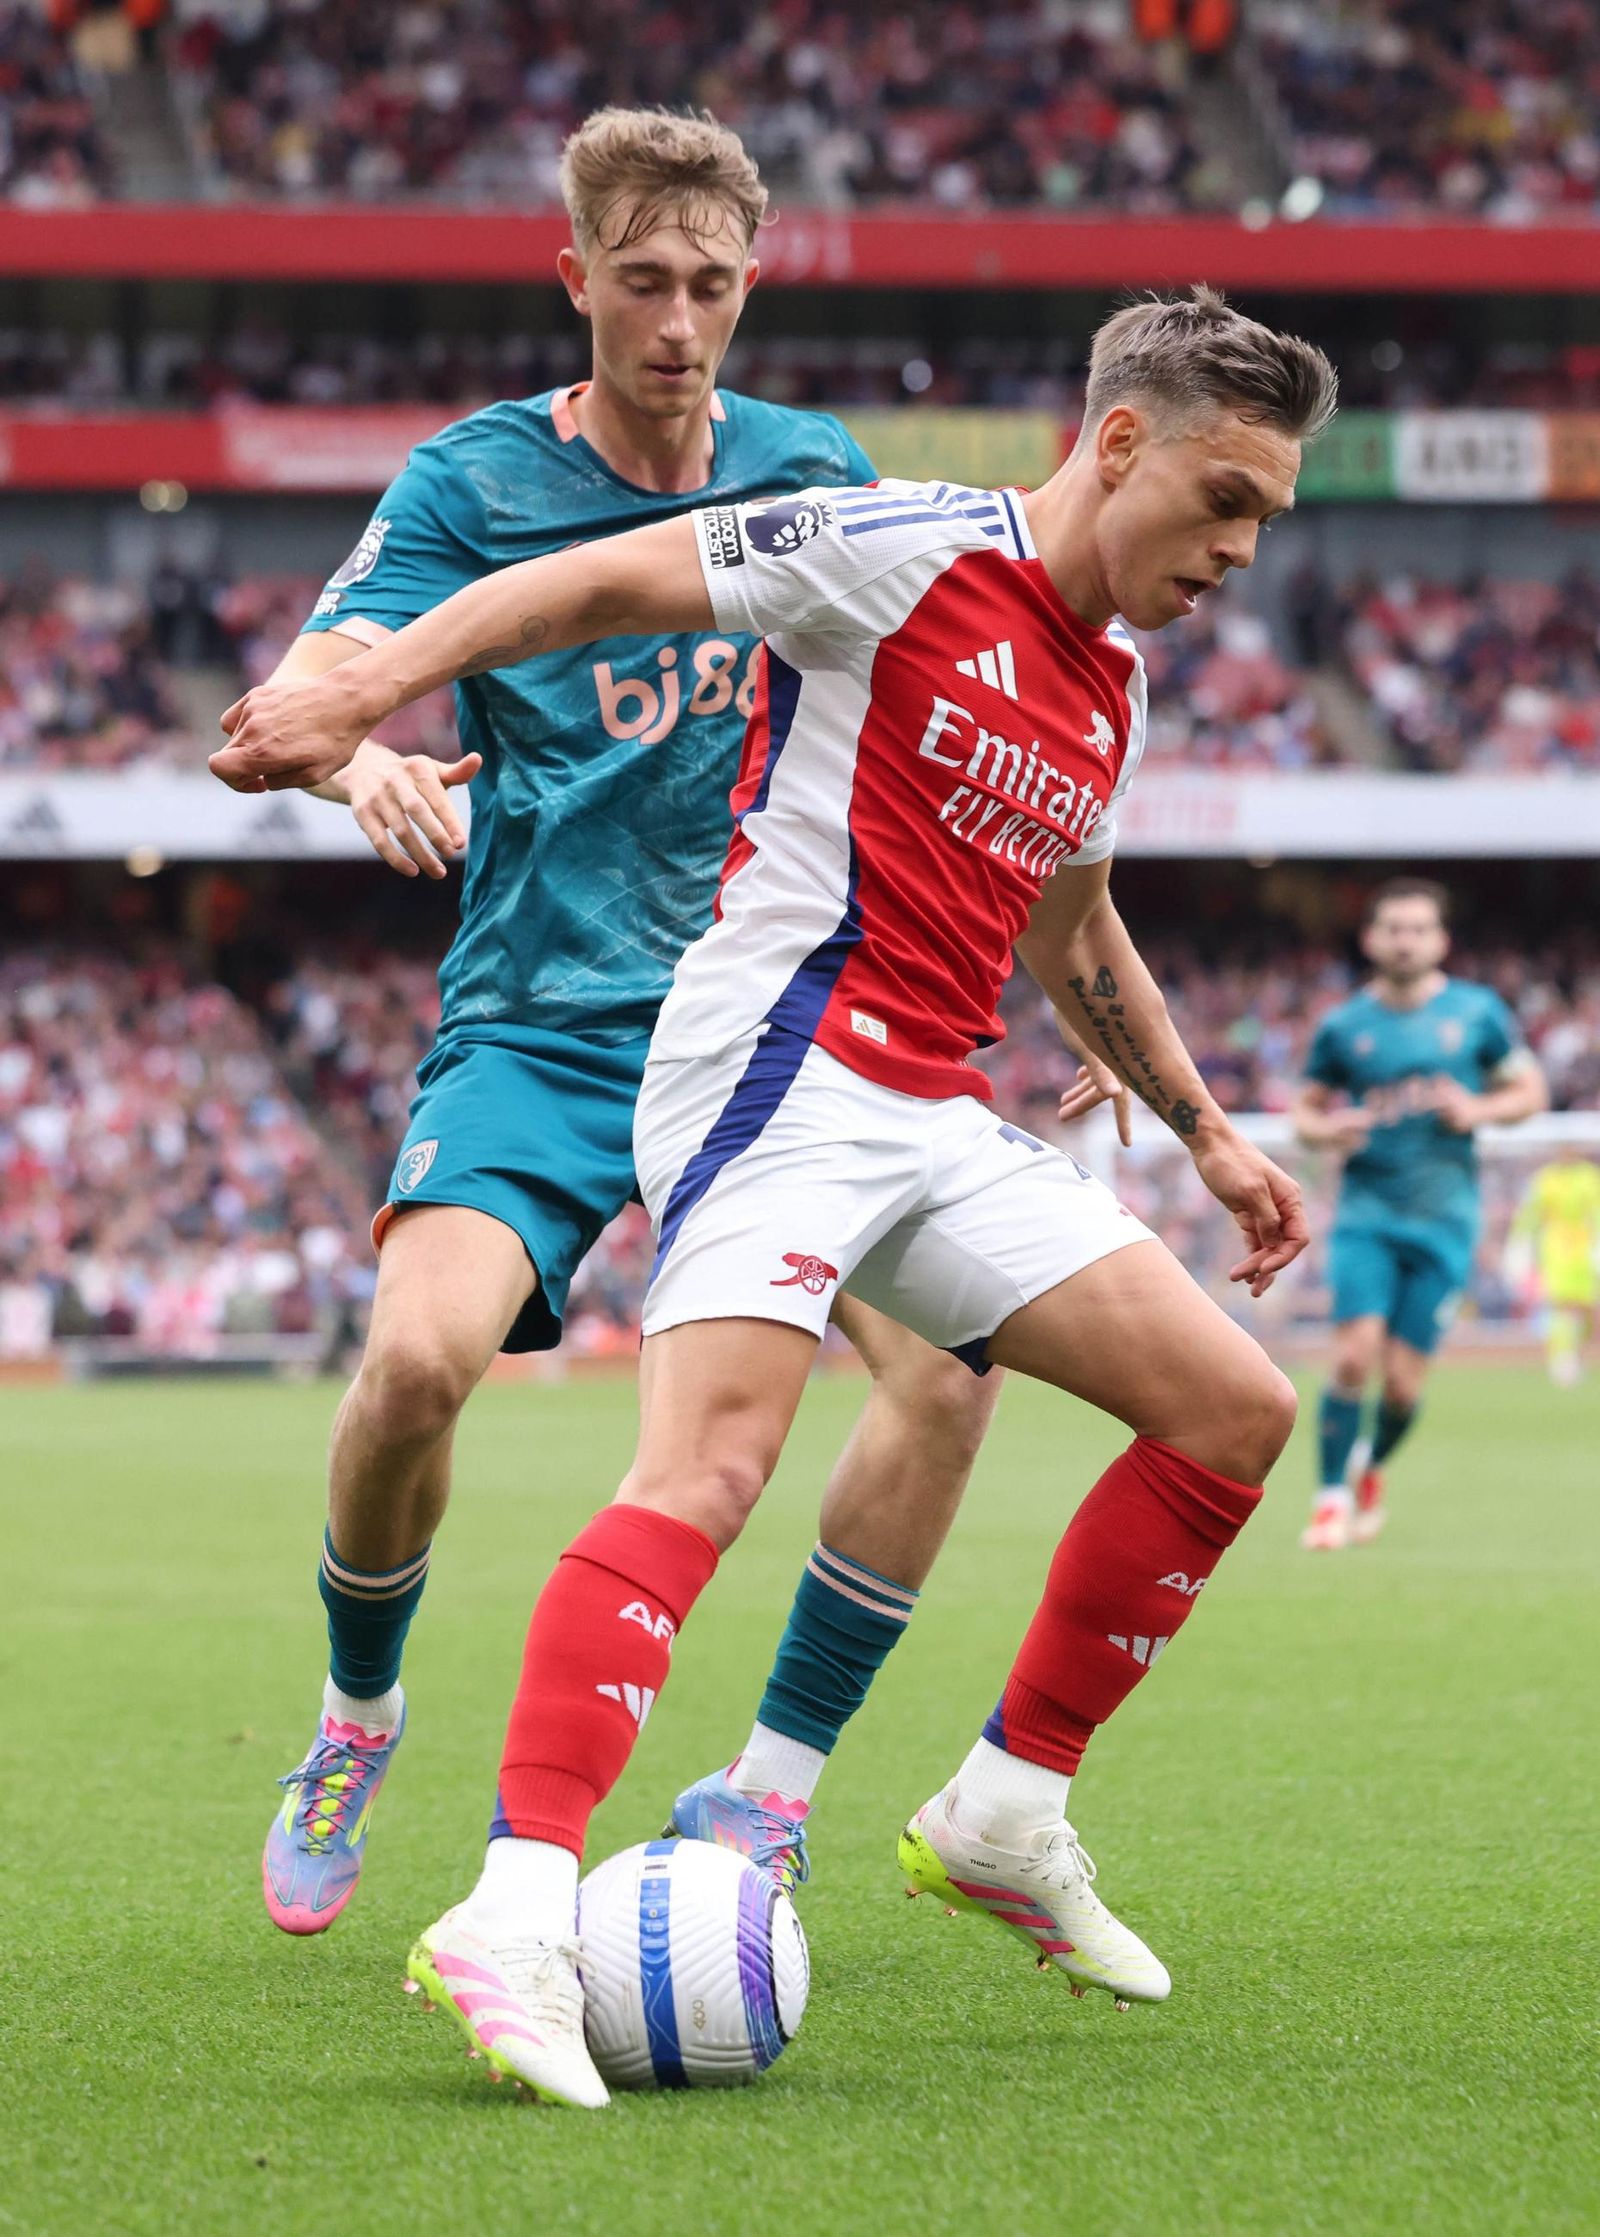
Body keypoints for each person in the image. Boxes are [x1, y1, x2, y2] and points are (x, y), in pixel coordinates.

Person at [217, 286, 1333, 2109]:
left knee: (1232, 1407)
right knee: (709, 1468)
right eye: (1226, 498)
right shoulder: (890, 548)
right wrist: (354, 691)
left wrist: (1203, 1128)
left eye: (1266, 521)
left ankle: (1003, 1806)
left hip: (931, 1106)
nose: (1238, 549)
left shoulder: (1112, 677)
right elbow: (589, 589)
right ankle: (510, 1906)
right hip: (775, 1075)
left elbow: (1068, 920)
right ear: (1117, 443)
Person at [251, 105, 1016, 1942]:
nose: (679, 322)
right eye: (646, 282)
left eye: (714, 286)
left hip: (771, 1022)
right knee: (417, 1368)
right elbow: (306, 679)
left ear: (750, 288)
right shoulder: (475, 483)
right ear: (576, 276)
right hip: (547, 1014)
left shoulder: (808, 463)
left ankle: (767, 1793)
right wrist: (359, 758)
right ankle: (360, 1712)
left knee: (948, 1374)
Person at [1294, 880, 1547, 1551]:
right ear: (1371, 938)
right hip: (1366, 1212)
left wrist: (1478, 1110)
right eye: (1393, 928)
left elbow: (1529, 1092)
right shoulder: (1344, 1025)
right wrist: (1328, 1129)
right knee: (1352, 1356)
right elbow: (1304, 1111)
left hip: (1445, 1216)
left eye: (1418, 928)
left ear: (1440, 940)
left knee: (1403, 1386)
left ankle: (1369, 1462)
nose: (1405, 939)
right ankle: (1327, 1502)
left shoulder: (1477, 1012)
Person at [1508, 1148, 1600, 1386]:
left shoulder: (1590, 1178)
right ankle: (1561, 1358)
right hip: (1556, 1249)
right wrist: (1521, 1242)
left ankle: (1575, 1353)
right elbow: (1529, 1215)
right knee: (1561, 1305)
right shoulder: (1544, 1179)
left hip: (1584, 1249)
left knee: (1585, 1306)